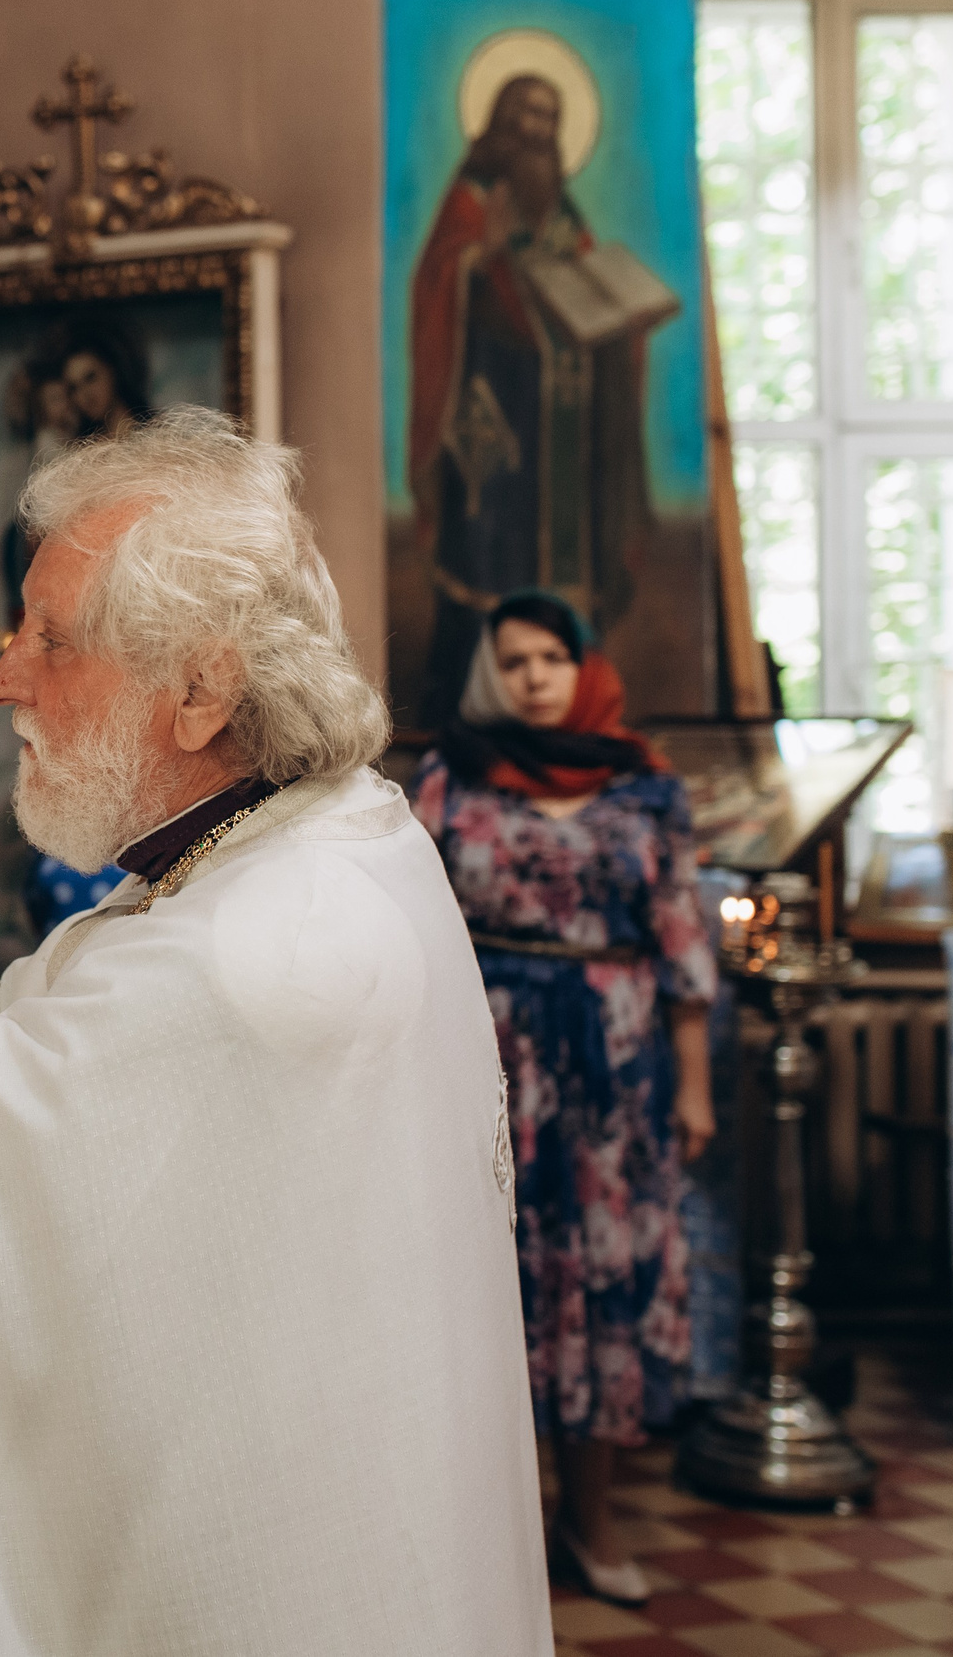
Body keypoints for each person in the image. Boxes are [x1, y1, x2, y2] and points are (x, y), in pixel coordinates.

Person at [0, 408, 550, 1654]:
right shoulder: (331, 832)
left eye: (51, 639)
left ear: (200, 690)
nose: (3, 678)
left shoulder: (244, 952)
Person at [409, 590, 717, 1609]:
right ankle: (483, 1533)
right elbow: (405, 920)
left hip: (613, 1066)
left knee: (602, 1279)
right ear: (490, 673)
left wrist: (695, 1084)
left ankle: (590, 1519)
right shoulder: (452, 775)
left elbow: (681, 938)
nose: (534, 676)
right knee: (488, 1276)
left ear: (583, 665)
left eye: (551, 656)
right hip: (483, 1051)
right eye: (514, 660)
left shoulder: (645, 786)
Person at [406, 72, 658, 722]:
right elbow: (437, 281)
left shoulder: (561, 209)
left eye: (549, 117)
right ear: (501, 118)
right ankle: (470, 712)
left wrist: (621, 317)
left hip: (563, 427)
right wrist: (478, 257)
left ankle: (575, 710)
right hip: (496, 412)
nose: (538, 130)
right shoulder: (474, 195)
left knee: (568, 567)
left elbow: (584, 282)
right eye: (527, 114)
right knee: (490, 564)